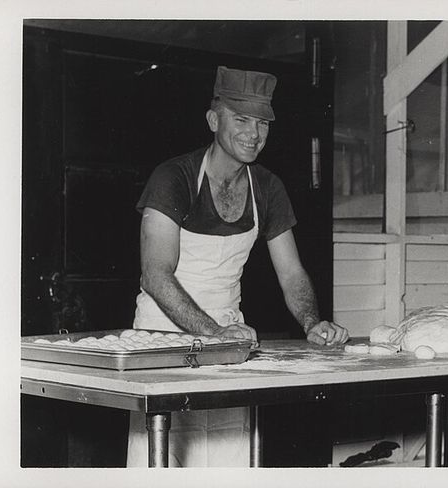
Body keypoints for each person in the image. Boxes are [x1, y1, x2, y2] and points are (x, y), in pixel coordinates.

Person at [126, 65, 349, 467]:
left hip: (230, 341)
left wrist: (312, 323)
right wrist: (214, 334)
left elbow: (292, 273)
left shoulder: (268, 187)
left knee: (228, 463)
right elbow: (156, 274)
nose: (254, 133)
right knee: (160, 462)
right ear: (214, 120)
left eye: (263, 123)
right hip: (162, 339)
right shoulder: (173, 177)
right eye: (242, 119)